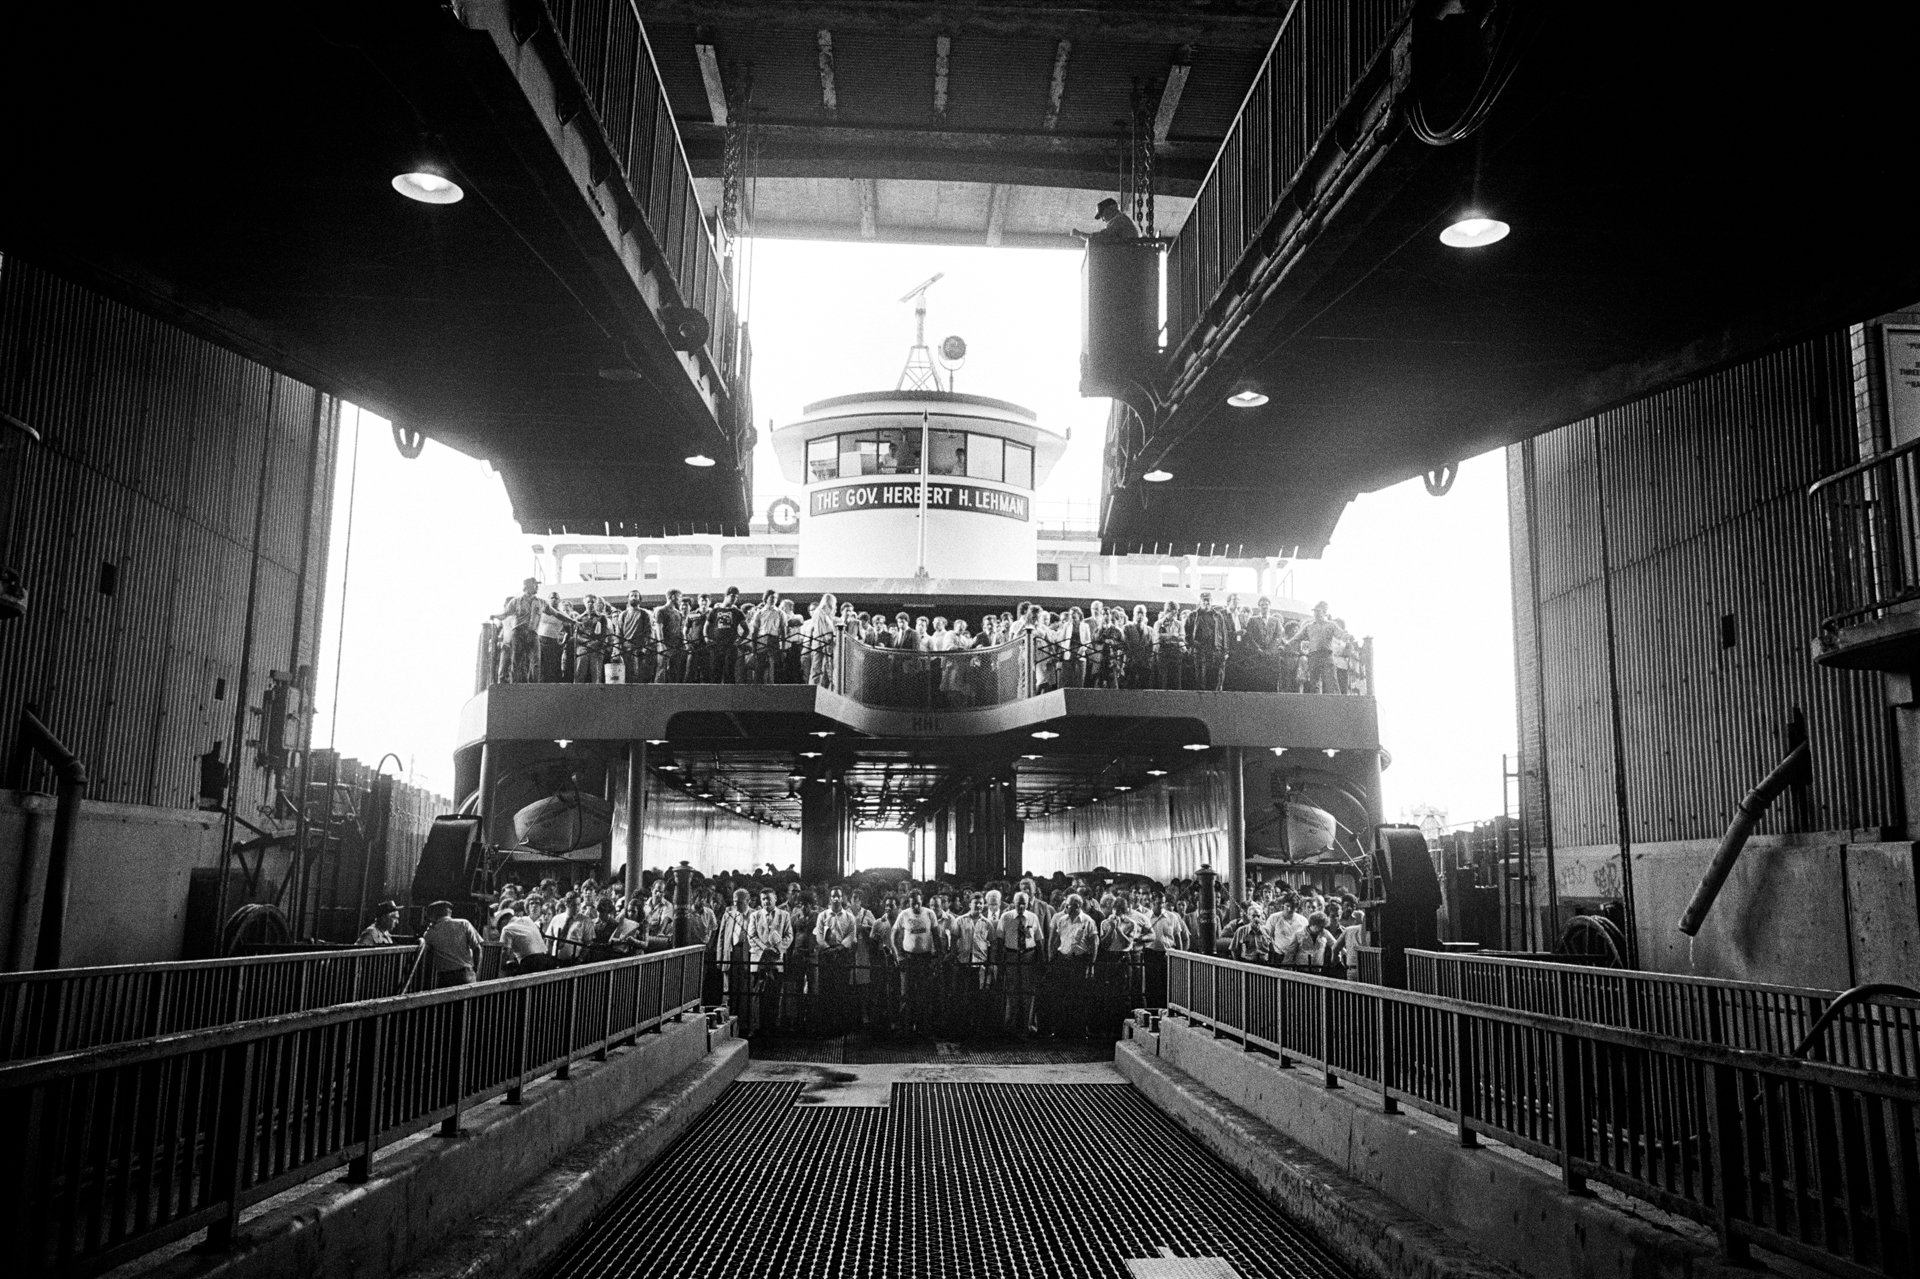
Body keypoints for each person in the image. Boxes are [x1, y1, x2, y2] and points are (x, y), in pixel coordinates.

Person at [420, 900, 483, 988]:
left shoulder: (430, 933)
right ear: (448, 912)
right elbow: (477, 948)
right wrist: (474, 969)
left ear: (432, 916)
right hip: (466, 973)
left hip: (445, 976)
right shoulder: (464, 923)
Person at [1186, 591, 1232, 691]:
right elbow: (1187, 634)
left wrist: (1226, 651)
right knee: (1200, 679)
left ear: (1212, 601)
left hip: (1216, 651)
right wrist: (1192, 645)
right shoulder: (1193, 615)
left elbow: (1224, 633)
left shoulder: (1218, 616)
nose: (1206, 603)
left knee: (1215, 679)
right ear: (1200, 601)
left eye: (1208, 601)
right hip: (1199, 652)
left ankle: (1214, 703)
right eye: (1204, 601)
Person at [615, 590, 654, 684]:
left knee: (639, 674)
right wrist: (617, 648)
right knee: (626, 674)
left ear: (639, 599)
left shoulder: (644, 614)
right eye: (631, 595)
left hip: (639, 648)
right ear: (628, 599)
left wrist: (645, 647)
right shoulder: (623, 614)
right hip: (626, 648)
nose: (633, 597)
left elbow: (648, 632)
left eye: (636, 596)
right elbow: (619, 632)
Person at [653, 589, 686, 683]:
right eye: (679, 596)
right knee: (661, 670)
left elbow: (680, 630)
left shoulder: (678, 613)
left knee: (675, 671)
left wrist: (683, 643)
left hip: (677, 645)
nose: (680, 599)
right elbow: (659, 628)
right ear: (672, 597)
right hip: (665, 645)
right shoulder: (661, 610)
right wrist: (661, 644)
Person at [1075, 196, 1140, 242]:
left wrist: (1081, 234)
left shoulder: (1119, 220)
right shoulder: (1122, 219)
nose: (1103, 220)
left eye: (1102, 215)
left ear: (1111, 209)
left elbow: (1102, 237)